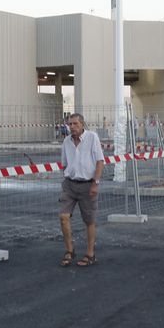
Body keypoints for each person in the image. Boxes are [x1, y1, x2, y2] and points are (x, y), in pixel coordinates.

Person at [58, 112, 103, 267]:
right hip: (70, 185)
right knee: (63, 217)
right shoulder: (66, 142)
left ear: (82, 124)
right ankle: (69, 251)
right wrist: (65, 179)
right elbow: (64, 164)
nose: (72, 127)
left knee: (89, 221)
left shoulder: (92, 138)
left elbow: (100, 161)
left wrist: (95, 183)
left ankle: (90, 254)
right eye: (69, 124)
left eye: (75, 124)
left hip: (88, 185)